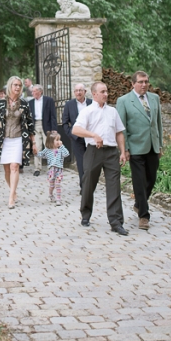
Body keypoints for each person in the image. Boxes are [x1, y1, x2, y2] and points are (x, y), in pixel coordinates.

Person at [72, 81, 128, 235]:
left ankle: (116, 222)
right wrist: (93, 135)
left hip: (111, 152)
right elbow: (75, 129)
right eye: (103, 92)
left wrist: (123, 151)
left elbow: (119, 132)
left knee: (114, 186)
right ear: (94, 94)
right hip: (93, 151)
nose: (106, 94)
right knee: (88, 183)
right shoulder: (87, 111)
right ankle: (85, 214)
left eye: (106, 91)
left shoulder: (113, 112)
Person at [116, 71, 163, 231]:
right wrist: (125, 149)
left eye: (146, 82)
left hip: (152, 146)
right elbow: (121, 127)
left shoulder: (154, 98)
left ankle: (138, 203)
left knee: (151, 179)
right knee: (139, 181)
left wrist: (160, 145)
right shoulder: (124, 101)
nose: (144, 85)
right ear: (133, 84)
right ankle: (144, 216)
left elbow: (158, 123)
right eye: (141, 82)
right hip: (135, 147)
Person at [0, 76, 36, 209]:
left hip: (18, 139)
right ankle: (13, 191)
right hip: (3, 140)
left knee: (14, 166)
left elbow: (30, 123)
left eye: (20, 85)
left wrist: (33, 142)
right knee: (6, 169)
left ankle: (11, 198)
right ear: (10, 86)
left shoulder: (24, 103)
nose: (18, 87)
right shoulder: (1, 103)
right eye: (15, 85)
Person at [62, 83, 92, 193]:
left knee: (91, 163)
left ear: (85, 92)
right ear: (74, 92)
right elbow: (65, 122)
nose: (78, 92)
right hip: (77, 138)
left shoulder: (91, 103)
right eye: (76, 90)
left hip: (90, 137)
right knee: (81, 163)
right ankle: (84, 187)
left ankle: (90, 183)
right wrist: (71, 134)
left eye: (80, 90)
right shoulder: (69, 104)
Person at [29, 84, 58, 176]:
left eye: (34, 91)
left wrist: (54, 129)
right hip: (35, 125)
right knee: (37, 147)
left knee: (49, 147)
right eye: (32, 91)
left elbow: (53, 115)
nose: (32, 93)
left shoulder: (48, 100)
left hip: (47, 125)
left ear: (40, 91)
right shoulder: (30, 102)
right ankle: (37, 168)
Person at [37, 133, 70, 206]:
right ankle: (50, 194)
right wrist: (35, 152)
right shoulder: (47, 150)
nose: (59, 141)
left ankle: (58, 199)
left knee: (58, 184)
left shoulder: (60, 149)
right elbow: (41, 154)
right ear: (51, 141)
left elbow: (66, 154)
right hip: (51, 170)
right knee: (52, 186)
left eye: (59, 139)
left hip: (59, 170)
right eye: (57, 140)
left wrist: (62, 146)